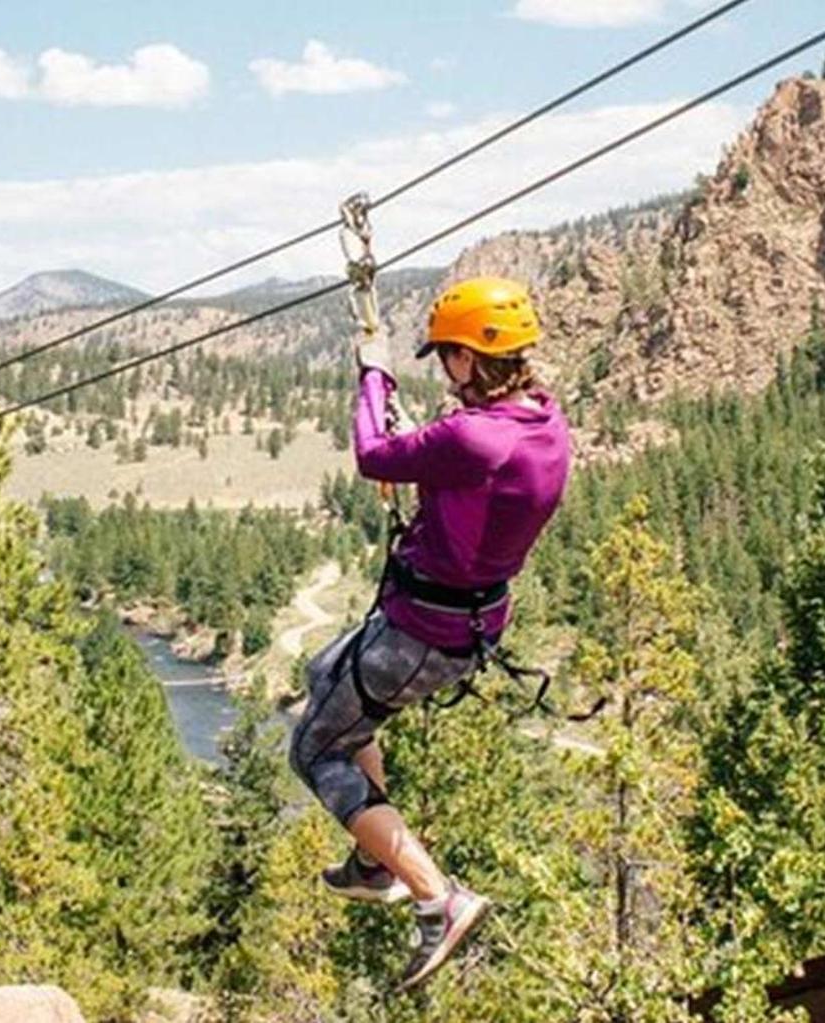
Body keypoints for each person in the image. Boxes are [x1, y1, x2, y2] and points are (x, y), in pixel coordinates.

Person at [288, 275, 573, 992]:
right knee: (325, 676)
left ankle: (432, 894)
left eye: (447, 355)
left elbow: (373, 452)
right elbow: (461, 466)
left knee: (315, 748)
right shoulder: (542, 421)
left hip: (421, 629)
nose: (443, 368)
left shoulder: (472, 436)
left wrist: (374, 372)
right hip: (463, 623)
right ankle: (374, 854)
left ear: (473, 360)